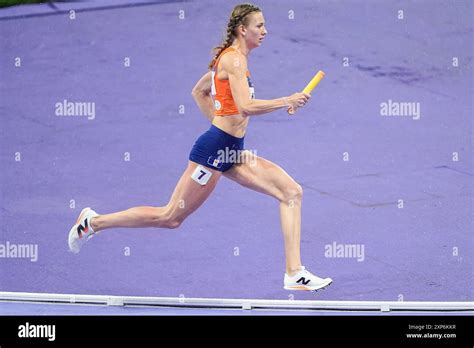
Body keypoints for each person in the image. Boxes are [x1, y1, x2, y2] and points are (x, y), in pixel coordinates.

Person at [68, 3, 332, 292]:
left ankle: (294, 273)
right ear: (243, 29)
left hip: (230, 150)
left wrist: (222, 124)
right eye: (260, 25)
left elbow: (199, 91)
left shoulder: (231, 60)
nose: (265, 31)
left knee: (291, 192)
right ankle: (93, 222)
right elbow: (245, 106)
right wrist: (286, 101)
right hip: (214, 150)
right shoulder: (233, 61)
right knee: (170, 217)